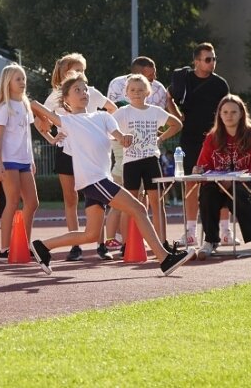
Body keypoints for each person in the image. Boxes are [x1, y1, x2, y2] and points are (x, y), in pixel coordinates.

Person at [28, 73, 194, 275]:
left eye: (85, 89)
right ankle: (165, 258)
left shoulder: (103, 116)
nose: (83, 93)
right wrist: (44, 121)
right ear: (67, 99)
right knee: (139, 208)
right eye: (77, 90)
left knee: (91, 235)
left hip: (100, 179)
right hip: (93, 180)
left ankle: (42, 246)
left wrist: (124, 138)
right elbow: (34, 103)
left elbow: (118, 135)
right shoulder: (68, 121)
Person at [41, 53, 117, 261]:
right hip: (67, 152)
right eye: (74, 70)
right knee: (70, 199)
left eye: (82, 70)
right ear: (64, 73)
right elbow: (41, 121)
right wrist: (51, 138)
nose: (79, 74)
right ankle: (75, 246)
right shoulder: (56, 97)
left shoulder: (91, 93)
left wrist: (108, 132)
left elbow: (112, 109)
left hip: (91, 154)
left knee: (98, 196)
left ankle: (101, 244)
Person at [192, 94, 251, 260]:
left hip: (247, 185)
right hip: (219, 185)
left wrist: (237, 178)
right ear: (219, 114)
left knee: (237, 192)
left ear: (241, 113)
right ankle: (210, 240)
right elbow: (204, 165)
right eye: (225, 112)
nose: (229, 115)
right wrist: (198, 170)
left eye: (233, 112)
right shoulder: (212, 137)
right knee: (207, 192)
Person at [168, 43, 231, 248]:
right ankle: (191, 232)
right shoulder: (183, 80)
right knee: (191, 184)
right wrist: (178, 117)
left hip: (216, 139)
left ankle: (225, 231)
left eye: (214, 59)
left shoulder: (220, 84)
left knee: (222, 184)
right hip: (191, 139)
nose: (212, 62)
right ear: (196, 62)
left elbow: (227, 110)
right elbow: (170, 98)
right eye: (207, 59)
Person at [112, 74, 182, 247]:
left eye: (141, 89)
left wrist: (161, 139)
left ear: (148, 92)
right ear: (126, 93)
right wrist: (121, 138)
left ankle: (162, 242)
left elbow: (177, 124)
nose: (137, 93)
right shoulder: (122, 113)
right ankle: (127, 245)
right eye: (133, 90)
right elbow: (107, 128)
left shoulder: (155, 111)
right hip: (131, 163)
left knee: (157, 203)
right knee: (131, 205)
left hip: (151, 160)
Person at [0, 64, 39, 260]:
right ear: (8, 83)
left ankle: (23, 243)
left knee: (32, 202)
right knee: (12, 202)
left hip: (24, 161)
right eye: (18, 79)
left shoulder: (25, 105)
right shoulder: (4, 108)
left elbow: (27, 136)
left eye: (23, 78)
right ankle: (4, 249)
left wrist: (31, 159)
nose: (22, 82)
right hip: (9, 160)